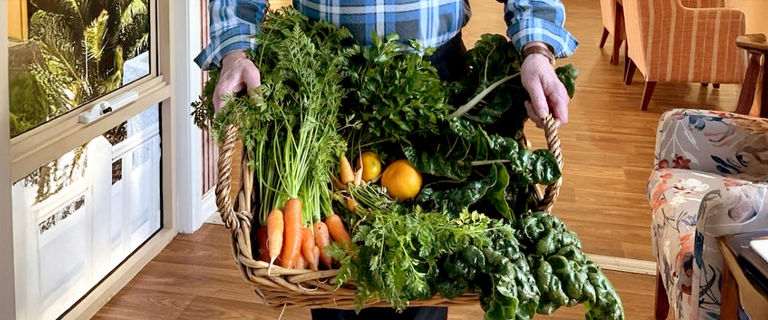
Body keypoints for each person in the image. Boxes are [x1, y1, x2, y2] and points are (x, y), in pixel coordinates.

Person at [196, 0, 577, 318]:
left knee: (423, 277)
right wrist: (235, 48)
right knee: (334, 279)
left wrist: (537, 50)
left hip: (437, 85)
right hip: (324, 86)